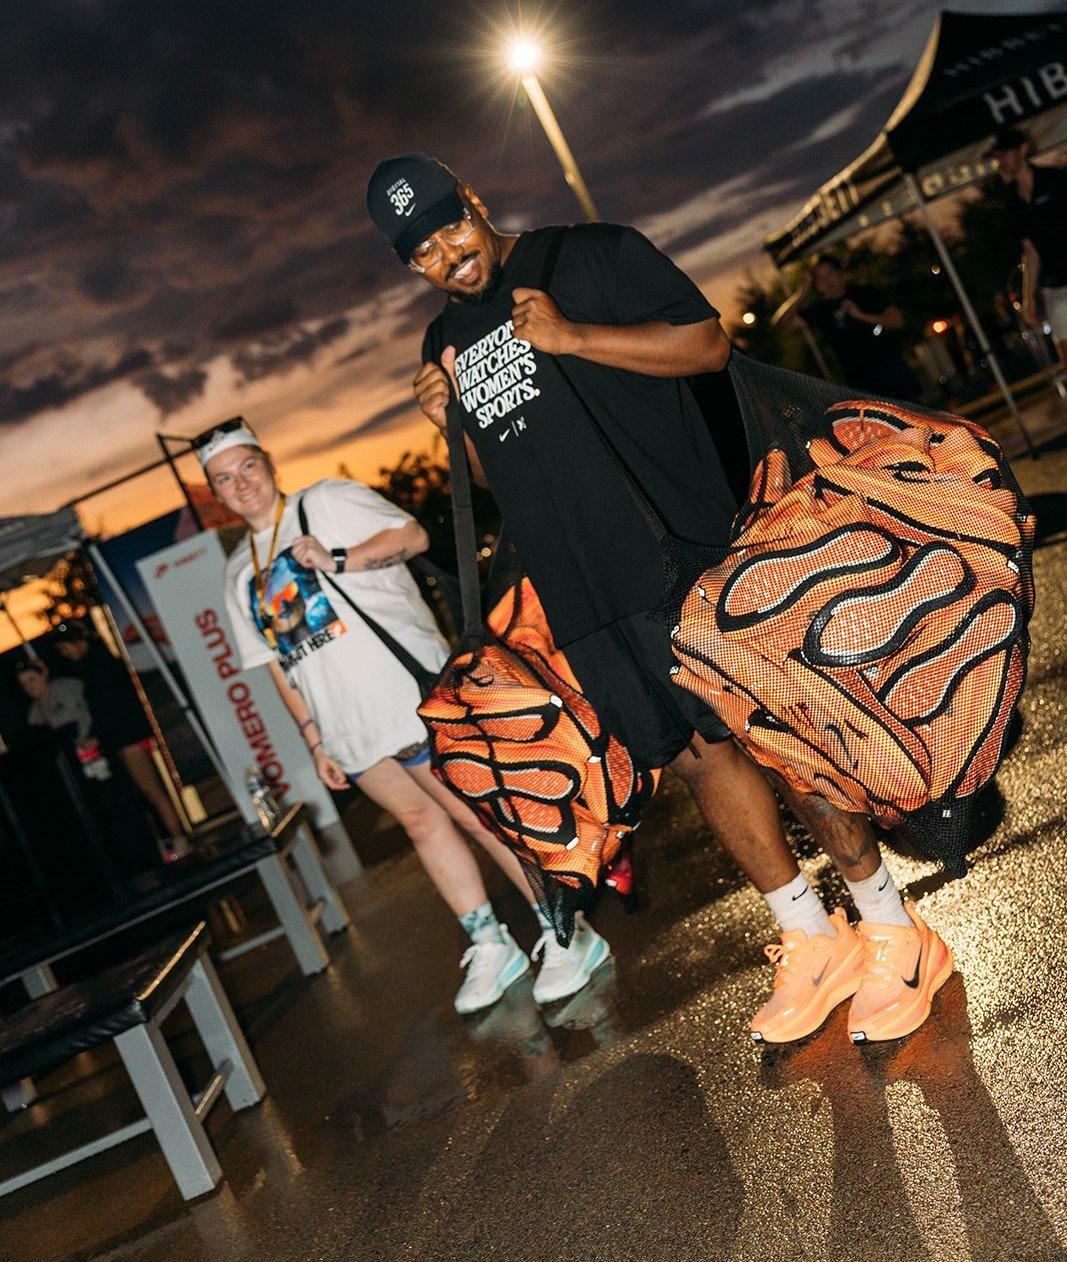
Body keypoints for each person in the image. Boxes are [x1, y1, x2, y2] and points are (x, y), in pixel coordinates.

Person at [366, 152, 952, 1045]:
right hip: (586, 592)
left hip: (686, 552)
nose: (447, 254)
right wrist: (443, 419)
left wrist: (571, 337)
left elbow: (705, 344)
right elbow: (495, 475)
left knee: (778, 738)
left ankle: (892, 929)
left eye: (450, 226)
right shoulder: (440, 340)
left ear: (473, 202)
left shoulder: (587, 255)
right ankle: (810, 937)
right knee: (695, 757)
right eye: (422, 251)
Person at [197, 417, 610, 1012]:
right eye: (223, 479)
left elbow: (412, 537)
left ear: (268, 463)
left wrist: (337, 558)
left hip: (410, 696)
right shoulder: (239, 573)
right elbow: (279, 666)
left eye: (247, 467)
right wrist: (314, 740)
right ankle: (491, 944)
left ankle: (569, 931)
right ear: (215, 494)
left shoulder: (325, 502)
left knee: (478, 816)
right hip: (347, 726)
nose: (241, 484)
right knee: (421, 824)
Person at [52, 621, 192, 863]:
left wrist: (99, 736)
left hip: (127, 738)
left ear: (77, 643)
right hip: (127, 736)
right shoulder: (101, 664)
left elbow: (110, 710)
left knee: (151, 790)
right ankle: (173, 840)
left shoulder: (99, 670)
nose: (66, 654)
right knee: (149, 791)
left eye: (66, 648)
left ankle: (179, 840)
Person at [774, 255, 917, 398]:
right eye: (820, 278)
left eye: (830, 273)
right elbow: (781, 324)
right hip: (860, 384)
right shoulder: (821, 310)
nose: (827, 280)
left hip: (891, 369)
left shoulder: (865, 293)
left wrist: (861, 316)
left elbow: (898, 321)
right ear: (817, 285)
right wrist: (801, 293)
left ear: (840, 273)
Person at [992, 125, 1067, 368]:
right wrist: (1029, 298)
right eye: (997, 156)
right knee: (1064, 348)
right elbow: (1030, 250)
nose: (1001, 161)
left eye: (1005, 153)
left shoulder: (1055, 179)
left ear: (1023, 150)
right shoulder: (1012, 200)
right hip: (1052, 282)